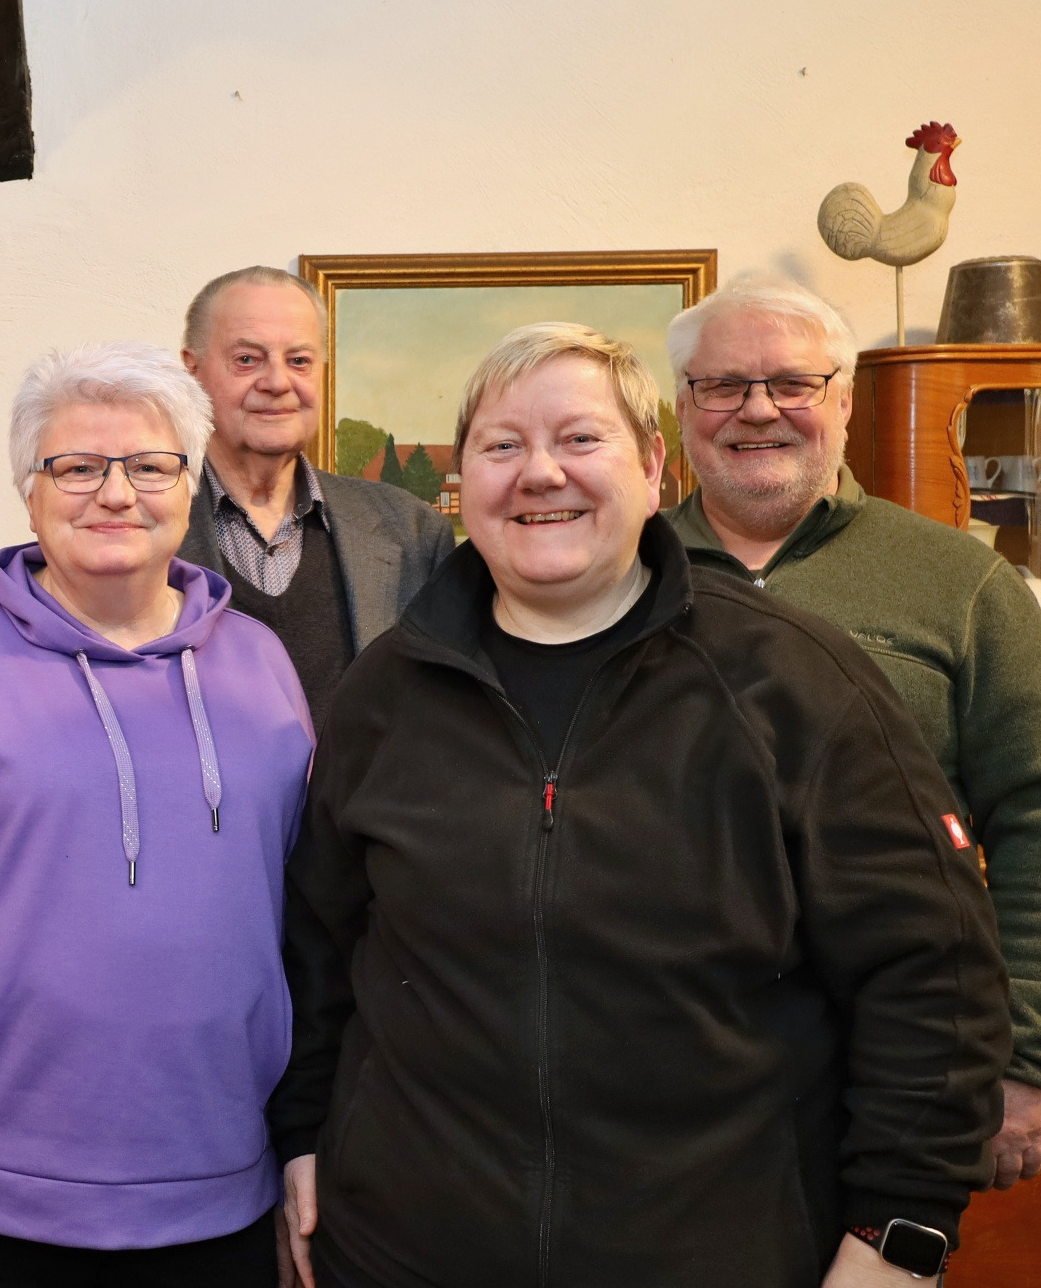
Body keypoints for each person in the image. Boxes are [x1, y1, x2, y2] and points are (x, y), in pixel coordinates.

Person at [274, 323, 1009, 1288]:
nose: (541, 474)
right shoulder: (384, 694)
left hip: (719, 1248)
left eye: (581, 439)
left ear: (656, 467)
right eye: (502, 446)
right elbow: (318, 952)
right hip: (404, 1250)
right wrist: (302, 1139)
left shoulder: (797, 683)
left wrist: (898, 1236)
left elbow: (933, 975)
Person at [0, 342, 316, 1288]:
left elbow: (312, 929)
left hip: (223, 1187)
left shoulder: (259, 666)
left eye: (149, 465)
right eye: (78, 466)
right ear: (29, 489)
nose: (115, 492)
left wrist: (304, 1140)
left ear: (190, 481)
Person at [664, 276, 1041, 1190]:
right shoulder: (624, 577)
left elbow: (1035, 818)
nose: (758, 410)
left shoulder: (963, 583)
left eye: (793, 383)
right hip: (663, 1078)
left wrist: (1022, 1058)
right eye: (722, 386)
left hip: (902, 1065)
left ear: (842, 399)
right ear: (682, 410)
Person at [177, 266, 455, 728]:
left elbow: (445, 716)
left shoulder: (414, 532)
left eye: (299, 361)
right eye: (247, 359)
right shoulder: (143, 528)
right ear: (192, 371)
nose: (277, 382)